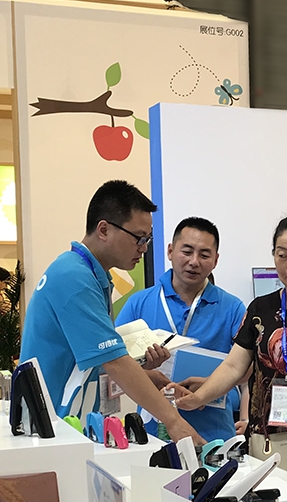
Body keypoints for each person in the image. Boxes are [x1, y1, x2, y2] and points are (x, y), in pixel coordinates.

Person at [173, 214, 287, 501]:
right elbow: (234, 366)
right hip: (265, 442)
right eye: (281, 255)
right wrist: (198, 398)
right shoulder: (260, 308)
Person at [20, 180, 202, 444]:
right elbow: (114, 361)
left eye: (148, 239)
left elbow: (92, 361)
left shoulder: (91, 275)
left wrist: (145, 376)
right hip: (49, 426)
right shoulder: (74, 277)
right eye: (139, 238)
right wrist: (175, 423)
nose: (144, 247)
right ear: (104, 229)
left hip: (64, 423)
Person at [116, 217, 248, 442]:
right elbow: (113, 365)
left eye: (204, 255)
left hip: (214, 436)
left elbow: (248, 368)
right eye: (187, 252)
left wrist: (211, 384)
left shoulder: (233, 308)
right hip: (152, 434)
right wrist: (145, 372)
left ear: (215, 261)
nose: (194, 262)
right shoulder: (138, 303)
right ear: (170, 251)